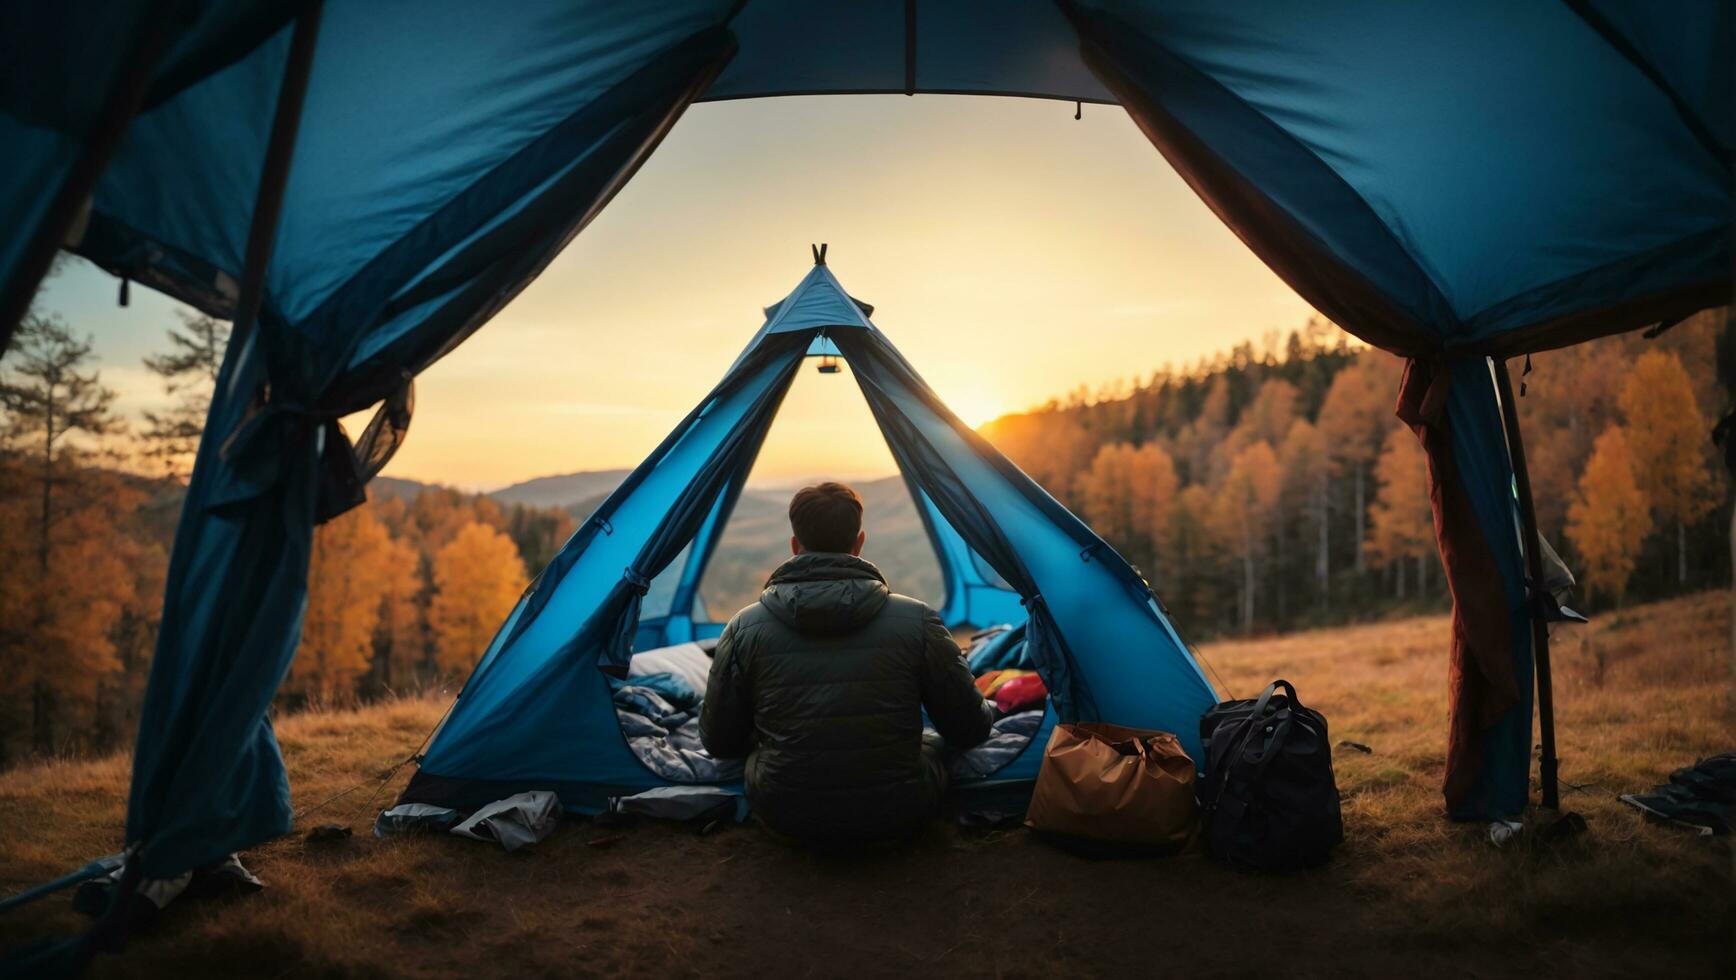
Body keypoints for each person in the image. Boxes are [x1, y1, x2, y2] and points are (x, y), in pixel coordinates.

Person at [700, 481, 993, 844]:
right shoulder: (918, 621)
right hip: (900, 810)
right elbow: (970, 730)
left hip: (785, 812)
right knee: (930, 744)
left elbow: (718, 742)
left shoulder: (744, 628)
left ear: (795, 547)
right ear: (859, 544)